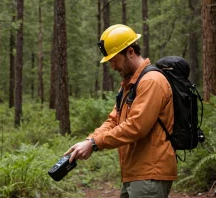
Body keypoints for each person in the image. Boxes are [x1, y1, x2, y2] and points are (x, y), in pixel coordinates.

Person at [64, 24, 177, 198]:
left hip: (150, 173)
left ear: (130, 52)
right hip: (134, 172)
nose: (113, 66)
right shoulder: (129, 85)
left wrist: (95, 144)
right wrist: (90, 140)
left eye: (114, 60)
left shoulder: (151, 81)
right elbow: (113, 120)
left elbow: (136, 126)